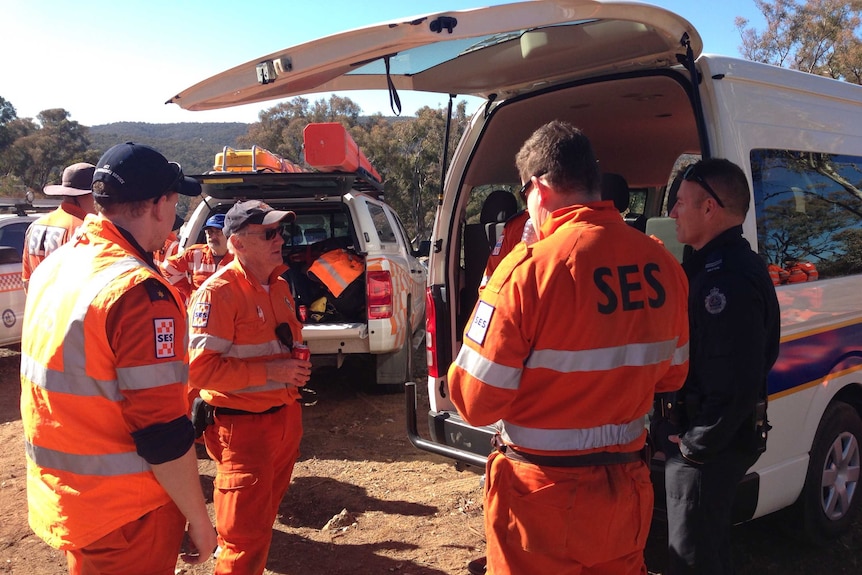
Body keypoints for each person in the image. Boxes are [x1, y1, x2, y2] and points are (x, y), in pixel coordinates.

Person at [448, 120, 690, 575]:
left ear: (538, 189)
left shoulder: (526, 273)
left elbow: (476, 403)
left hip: (540, 499)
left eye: (526, 196)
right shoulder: (662, 264)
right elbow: (672, 374)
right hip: (626, 493)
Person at [19, 142, 216, 575]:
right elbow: (161, 432)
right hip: (128, 512)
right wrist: (200, 520)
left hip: (73, 499)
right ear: (159, 204)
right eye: (174, 199)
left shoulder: (59, 265)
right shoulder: (137, 291)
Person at [655, 158, 780, 575]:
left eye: (680, 203)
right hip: (706, 443)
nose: (671, 212)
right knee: (707, 552)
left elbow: (739, 377)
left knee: (690, 561)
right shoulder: (716, 264)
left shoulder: (726, 278)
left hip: (708, 450)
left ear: (709, 208)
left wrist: (694, 447)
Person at [187, 200, 310, 575]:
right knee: (242, 540)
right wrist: (274, 370)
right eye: (269, 233)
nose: (280, 239)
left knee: (261, 523)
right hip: (242, 430)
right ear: (237, 243)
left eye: (280, 231)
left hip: (284, 420)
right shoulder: (219, 292)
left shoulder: (280, 285)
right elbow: (201, 372)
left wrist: (291, 368)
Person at [22, 162, 97, 291]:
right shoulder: (84, 230)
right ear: (90, 195)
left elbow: (27, 281)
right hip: (68, 309)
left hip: (38, 308)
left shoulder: (35, 226)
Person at [161, 213, 232, 303]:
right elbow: (167, 267)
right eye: (209, 232)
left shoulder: (240, 258)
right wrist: (189, 292)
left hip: (228, 313)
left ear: (229, 235)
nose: (212, 236)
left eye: (218, 232)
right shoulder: (195, 253)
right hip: (198, 313)